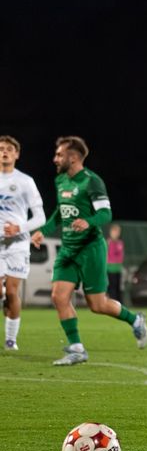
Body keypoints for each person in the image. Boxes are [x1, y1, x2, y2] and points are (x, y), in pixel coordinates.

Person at [30, 136, 147, 365]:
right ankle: (77, 349)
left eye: (59, 155)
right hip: (68, 250)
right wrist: (43, 230)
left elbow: (106, 214)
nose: (55, 159)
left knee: (97, 305)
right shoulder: (60, 180)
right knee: (58, 296)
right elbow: (60, 212)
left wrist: (88, 221)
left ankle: (135, 320)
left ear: (73, 157)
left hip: (90, 249)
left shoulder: (92, 181)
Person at [0, 136, 46, 351]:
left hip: (17, 245)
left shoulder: (25, 181)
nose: (5, 152)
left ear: (17, 154)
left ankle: (11, 340)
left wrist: (19, 228)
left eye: (9, 149)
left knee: (12, 292)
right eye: (1, 148)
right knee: (2, 293)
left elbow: (40, 217)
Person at [105, 224, 124, 301]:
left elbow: (120, 256)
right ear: (111, 232)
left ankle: (119, 305)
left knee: (118, 288)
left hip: (118, 269)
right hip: (110, 269)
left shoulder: (120, 243)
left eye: (118, 232)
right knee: (111, 289)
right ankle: (113, 304)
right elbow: (108, 255)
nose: (116, 233)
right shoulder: (108, 242)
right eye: (114, 231)